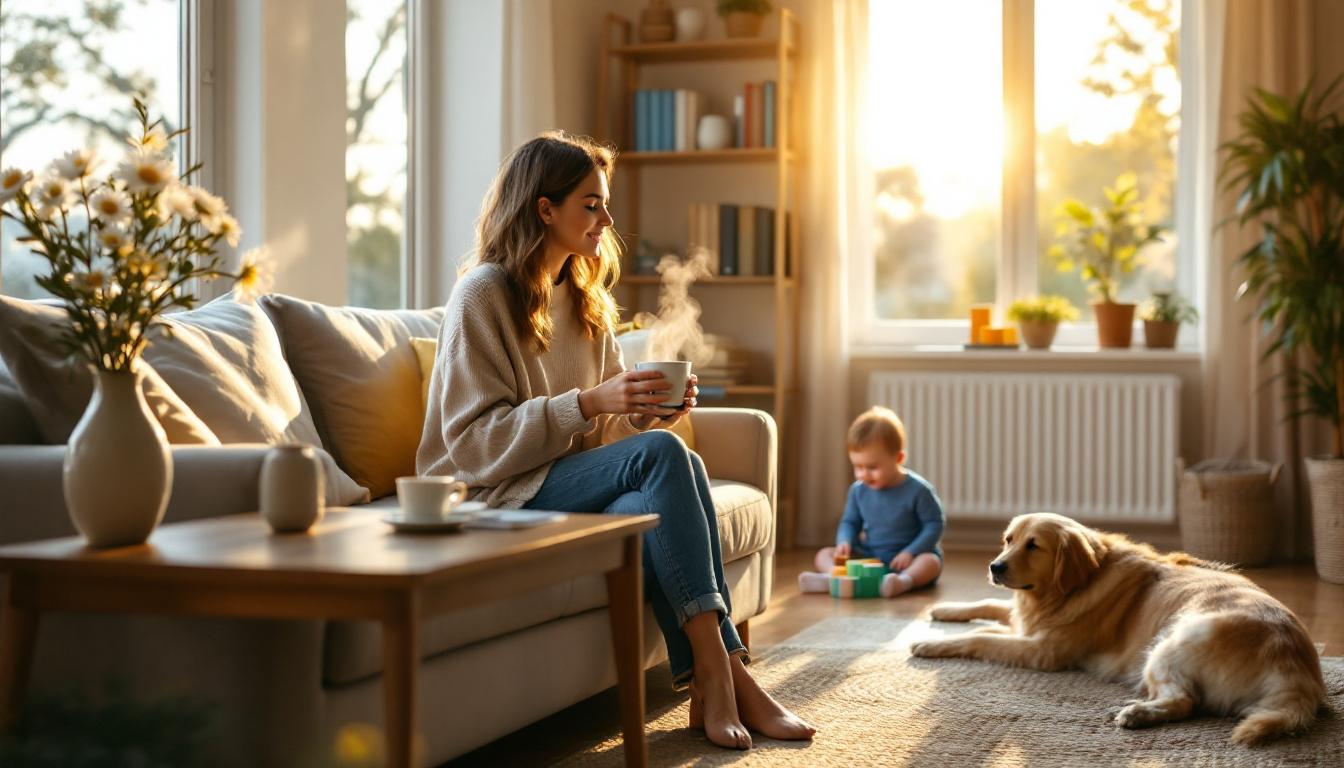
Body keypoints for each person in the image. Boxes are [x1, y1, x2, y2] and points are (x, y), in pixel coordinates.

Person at [417, 131, 814, 750]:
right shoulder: (482, 296)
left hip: (559, 483)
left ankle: (722, 675)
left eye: (605, 204)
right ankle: (721, 671)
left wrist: (647, 413)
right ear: (544, 209)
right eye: (591, 204)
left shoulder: (585, 297)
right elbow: (472, 445)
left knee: (646, 499)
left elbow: (602, 434)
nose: (606, 219)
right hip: (491, 494)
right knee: (664, 459)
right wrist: (591, 404)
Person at [799, 406, 945, 597]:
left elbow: (934, 525)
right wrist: (844, 541)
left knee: (930, 562)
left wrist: (910, 551)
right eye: (857, 467)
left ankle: (902, 582)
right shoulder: (858, 491)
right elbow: (850, 522)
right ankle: (835, 578)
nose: (864, 474)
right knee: (824, 554)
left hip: (908, 559)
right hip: (870, 557)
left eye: (872, 467)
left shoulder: (918, 490)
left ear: (898, 458)